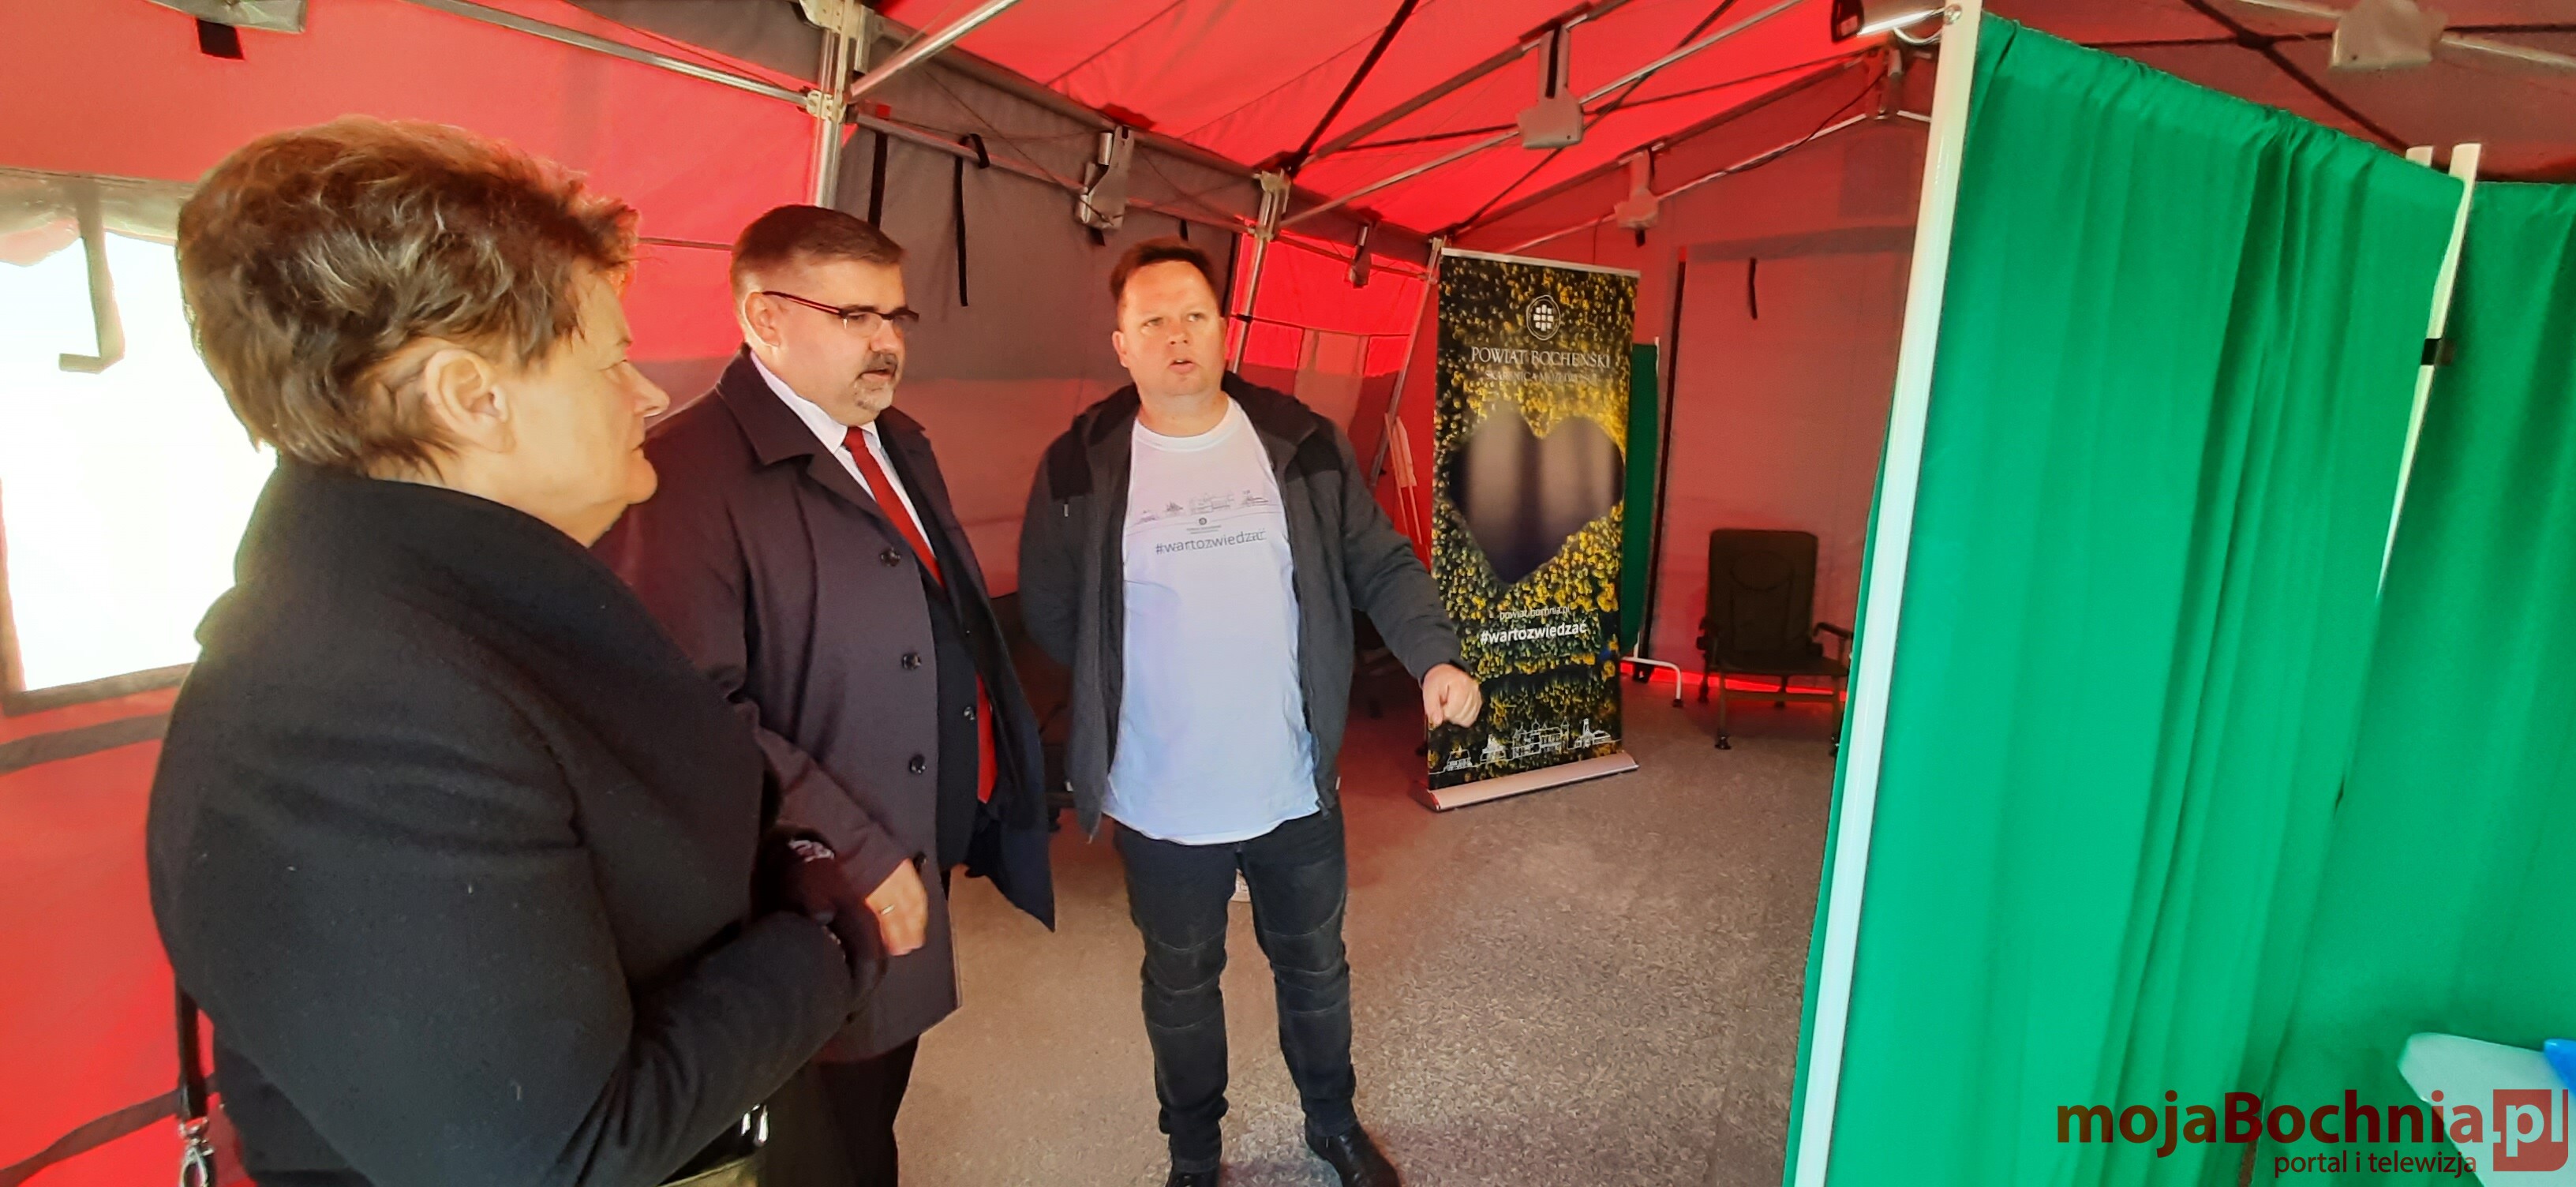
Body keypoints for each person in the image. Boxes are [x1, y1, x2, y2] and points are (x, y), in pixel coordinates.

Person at [145, 118, 868, 1187]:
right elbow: (551, 1156)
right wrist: (823, 946)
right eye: (610, 361)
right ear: (470, 398)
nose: (646, 393)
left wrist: (781, 863)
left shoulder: (456, 609)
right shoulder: (352, 716)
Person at [597, 205, 1054, 1185]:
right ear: (764, 317)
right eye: (854, 316)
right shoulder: (684, 475)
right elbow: (694, 716)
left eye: (896, 315)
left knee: (873, 1099)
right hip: (815, 884)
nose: (887, 342)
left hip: (911, 843)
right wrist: (856, 847)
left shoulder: (891, 437)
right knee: (827, 1135)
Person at [1018, 238, 1483, 1187]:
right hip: (1159, 794)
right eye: (1153, 320)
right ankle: (1194, 1153)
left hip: (1290, 783)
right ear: (1121, 344)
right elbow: (1052, 609)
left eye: (1193, 315)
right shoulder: (1080, 463)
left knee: (1314, 966)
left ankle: (1332, 1125)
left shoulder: (1299, 443)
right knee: (1180, 980)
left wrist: (1433, 655)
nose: (1176, 336)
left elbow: (1379, 561)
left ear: (1224, 330)